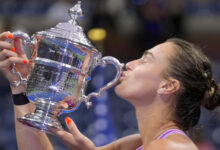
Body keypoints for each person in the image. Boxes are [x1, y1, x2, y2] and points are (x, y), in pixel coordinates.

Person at [0, 31, 219, 150]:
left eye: (145, 60)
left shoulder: (170, 148)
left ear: (168, 86)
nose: (129, 63)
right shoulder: (138, 142)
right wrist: (21, 87)